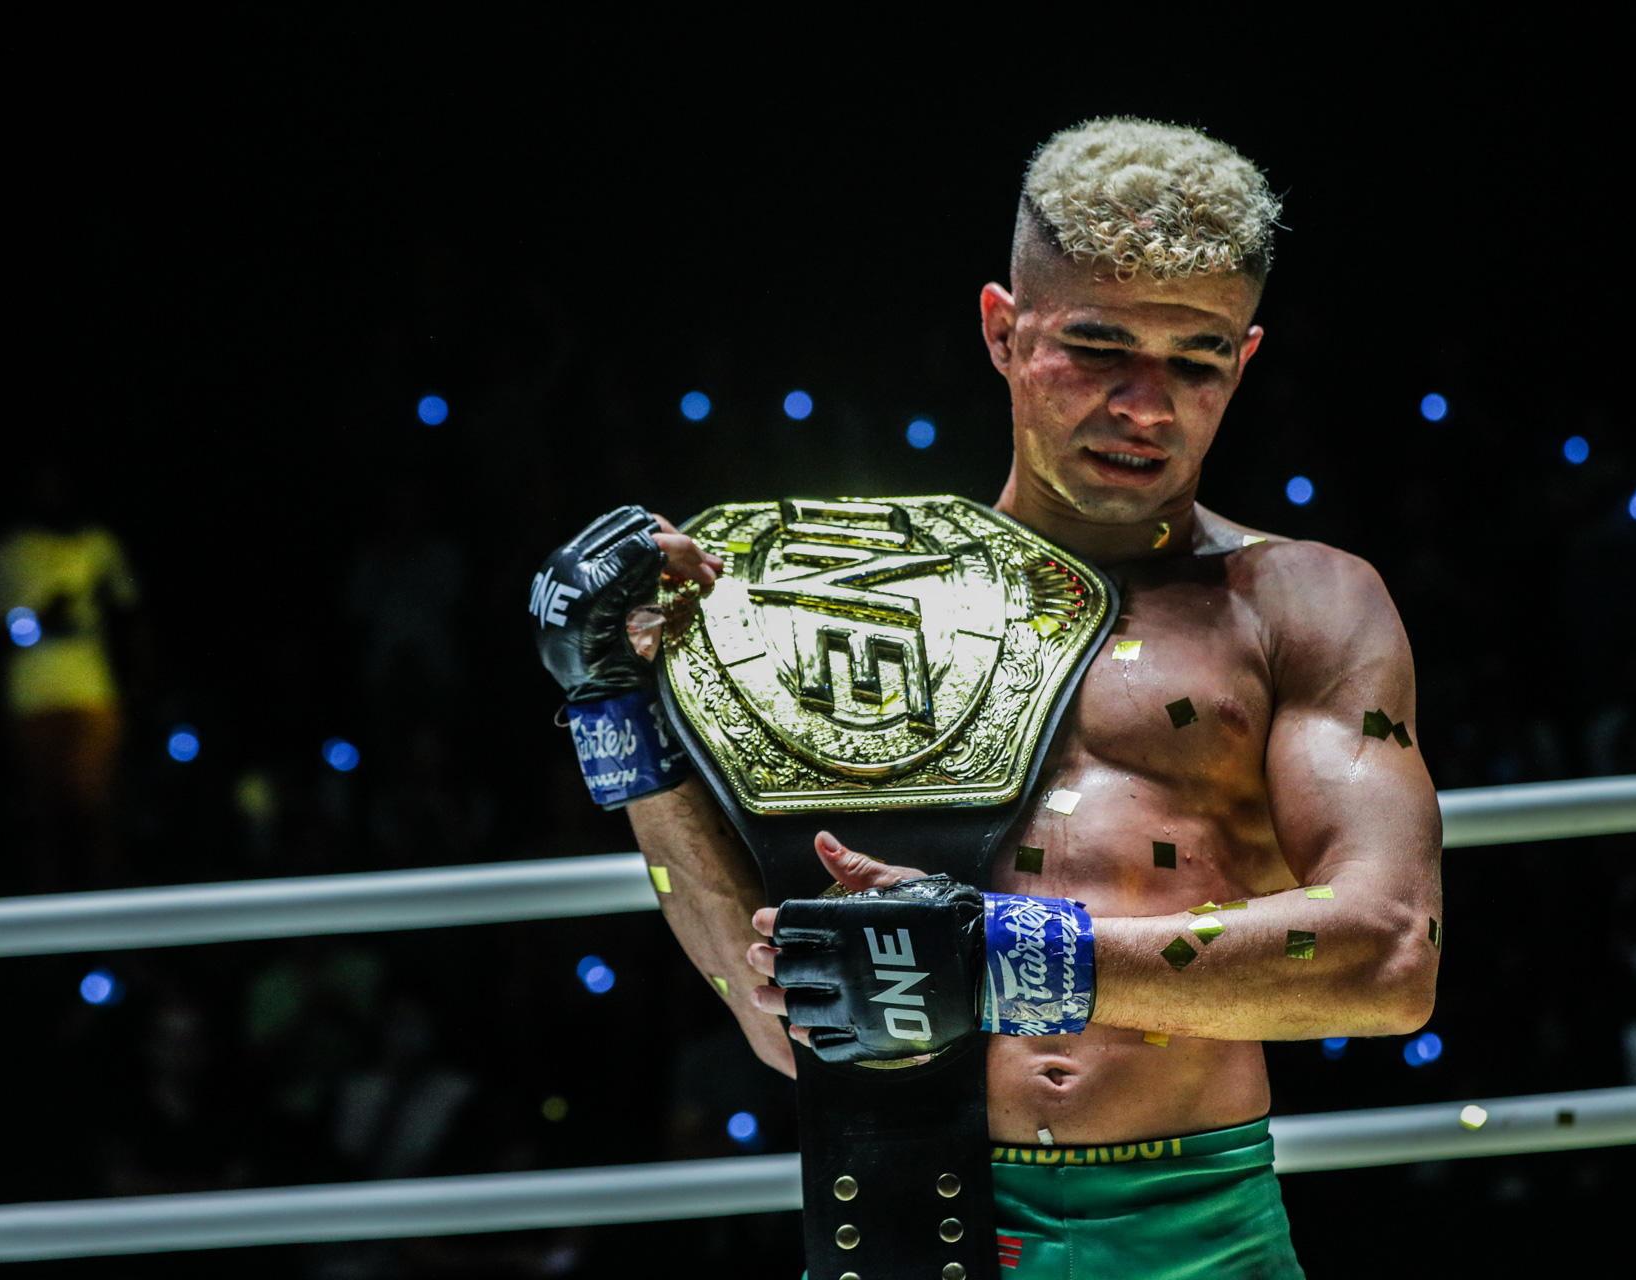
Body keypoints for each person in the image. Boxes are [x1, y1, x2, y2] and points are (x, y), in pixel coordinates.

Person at [537, 118, 1443, 1276]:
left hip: (1198, 1229)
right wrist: (611, 705)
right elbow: (781, 1019)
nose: (1146, 405)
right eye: (1099, 345)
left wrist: (1004, 959)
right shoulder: (858, 606)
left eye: (1197, 359)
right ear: (1002, 330)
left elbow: (1391, 958)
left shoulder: (1304, 602)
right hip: (903, 1202)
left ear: (1247, 358)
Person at [0, 464, 141, 890]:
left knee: (94, 804)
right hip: (29, 694)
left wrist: (137, 684)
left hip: (90, 689)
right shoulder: (4, 552)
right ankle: (46, 917)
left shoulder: (97, 545)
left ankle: (108, 912)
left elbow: (130, 616)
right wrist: (35, 622)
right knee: (42, 813)